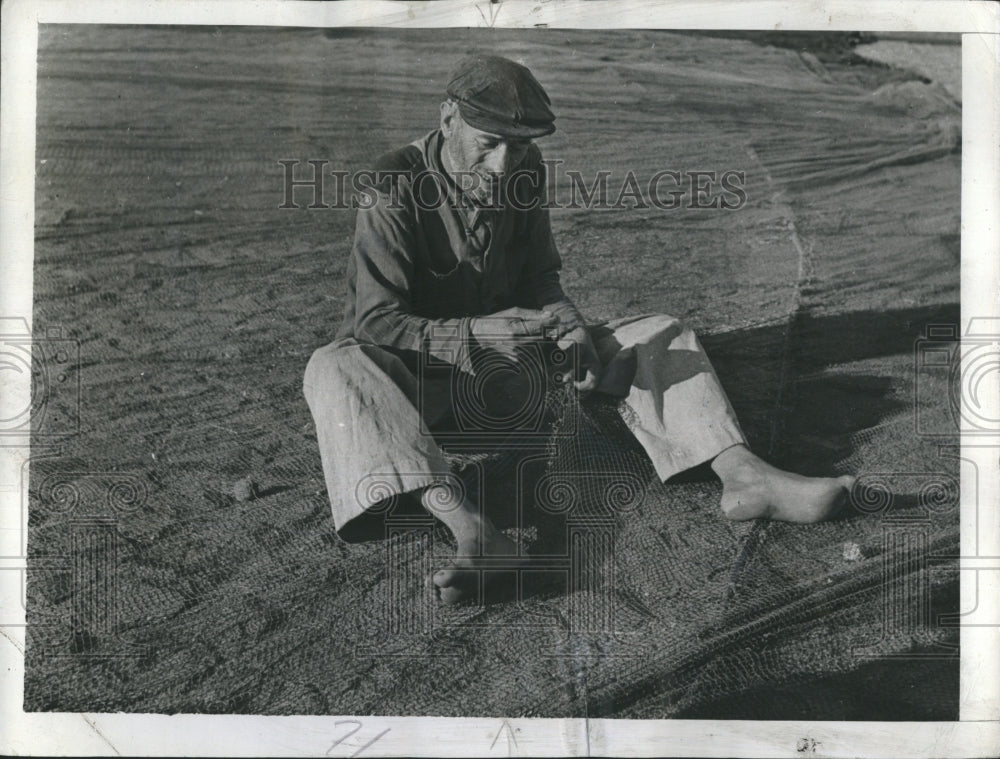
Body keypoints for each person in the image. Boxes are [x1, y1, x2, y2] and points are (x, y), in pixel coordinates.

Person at [303, 55, 854, 604]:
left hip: (514, 375)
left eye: (517, 147)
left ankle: (745, 475)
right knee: (333, 366)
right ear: (448, 119)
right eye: (488, 143)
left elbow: (541, 277)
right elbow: (376, 323)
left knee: (659, 330)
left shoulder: (523, 168)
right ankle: (475, 532)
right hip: (421, 394)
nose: (503, 165)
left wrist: (570, 329)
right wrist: (478, 333)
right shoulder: (391, 183)